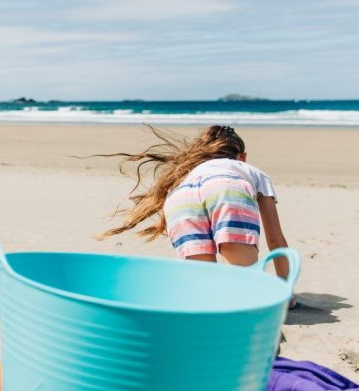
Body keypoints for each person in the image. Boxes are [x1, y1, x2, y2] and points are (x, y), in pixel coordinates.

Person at [99, 124, 296, 304]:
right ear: (242, 157)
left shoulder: (186, 175)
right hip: (227, 187)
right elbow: (276, 240)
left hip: (179, 197)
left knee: (203, 283)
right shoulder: (249, 170)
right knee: (244, 283)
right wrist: (287, 291)